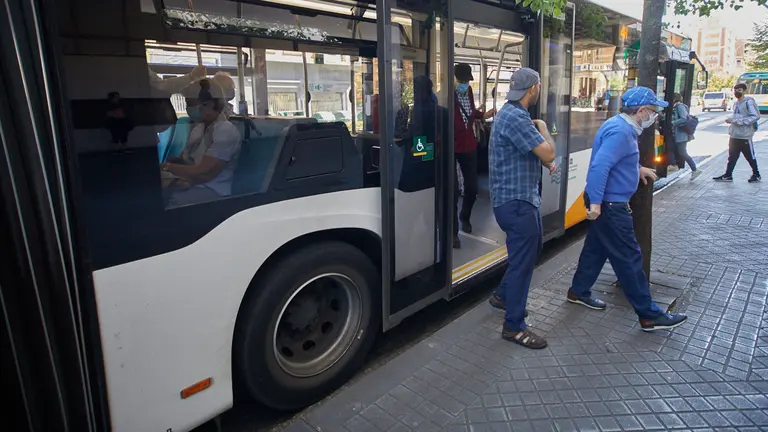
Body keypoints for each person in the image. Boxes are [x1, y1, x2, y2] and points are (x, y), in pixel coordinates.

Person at [567, 86, 688, 332]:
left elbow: (615, 161)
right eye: (653, 111)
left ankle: (578, 291)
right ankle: (649, 315)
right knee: (630, 258)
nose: (654, 116)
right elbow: (600, 167)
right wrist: (597, 204)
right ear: (642, 111)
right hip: (611, 205)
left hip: (607, 202)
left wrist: (636, 169)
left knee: (596, 249)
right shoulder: (621, 132)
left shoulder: (620, 127)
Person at [485, 68, 556, 349]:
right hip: (516, 203)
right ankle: (514, 327)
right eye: (539, 86)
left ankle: (503, 296)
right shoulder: (517, 117)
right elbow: (548, 152)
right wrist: (544, 129)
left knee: (532, 249)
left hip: (520, 200)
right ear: (533, 89)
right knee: (523, 263)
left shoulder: (510, 113)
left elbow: (531, 154)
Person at [160, 78, 242, 207]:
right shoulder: (199, 129)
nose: (188, 109)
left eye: (191, 104)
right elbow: (185, 161)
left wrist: (168, 167)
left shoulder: (226, 131)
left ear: (208, 105)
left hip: (213, 190)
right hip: (193, 183)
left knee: (167, 203)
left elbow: (204, 172)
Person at [453, 63, 495, 248]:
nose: (464, 83)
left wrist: (482, 115)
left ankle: (465, 215)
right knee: (452, 192)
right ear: (455, 79)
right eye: (461, 80)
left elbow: (469, 114)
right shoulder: (447, 94)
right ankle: (453, 232)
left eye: (466, 80)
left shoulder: (468, 92)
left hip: (468, 144)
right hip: (451, 146)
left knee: (472, 187)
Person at [714, 83, 761, 183]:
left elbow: (755, 116)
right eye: (735, 90)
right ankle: (728, 175)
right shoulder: (736, 103)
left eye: (739, 90)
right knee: (732, 156)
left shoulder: (748, 102)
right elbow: (738, 116)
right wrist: (731, 120)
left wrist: (739, 122)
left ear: (744, 91)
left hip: (745, 135)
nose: (736, 92)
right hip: (734, 134)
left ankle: (756, 174)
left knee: (750, 156)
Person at [671, 93, 698, 175]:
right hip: (677, 134)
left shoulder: (680, 107)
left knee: (683, 152)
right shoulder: (675, 107)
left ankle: (694, 170)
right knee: (673, 149)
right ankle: (673, 164)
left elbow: (684, 118)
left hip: (681, 135)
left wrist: (672, 123)